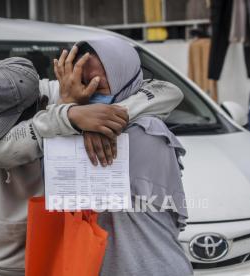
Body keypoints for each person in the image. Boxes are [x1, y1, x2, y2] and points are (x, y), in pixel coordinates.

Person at [0, 50, 184, 275]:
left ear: (35, 101)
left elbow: (168, 90)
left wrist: (104, 117)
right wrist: (67, 116)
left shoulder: (53, 92)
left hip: (42, 260)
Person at [55, 37, 193, 275]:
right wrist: (72, 112)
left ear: (124, 78)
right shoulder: (74, 129)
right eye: (82, 83)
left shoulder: (146, 131)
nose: (87, 93)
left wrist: (79, 118)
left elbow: (69, 183)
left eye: (98, 86)